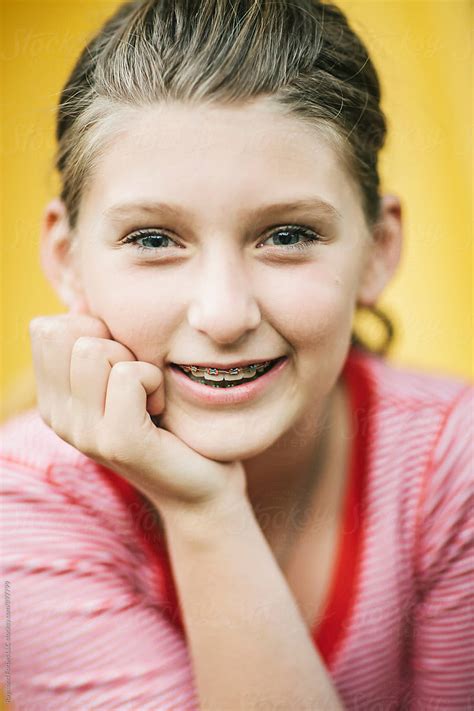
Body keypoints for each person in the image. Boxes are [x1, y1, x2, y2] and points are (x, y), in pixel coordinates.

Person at [1, 0, 472, 709]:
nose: (223, 315)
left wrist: (200, 505)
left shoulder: (451, 464)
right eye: (155, 239)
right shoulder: (26, 500)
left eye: (286, 234)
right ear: (66, 259)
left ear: (378, 250)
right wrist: (203, 506)